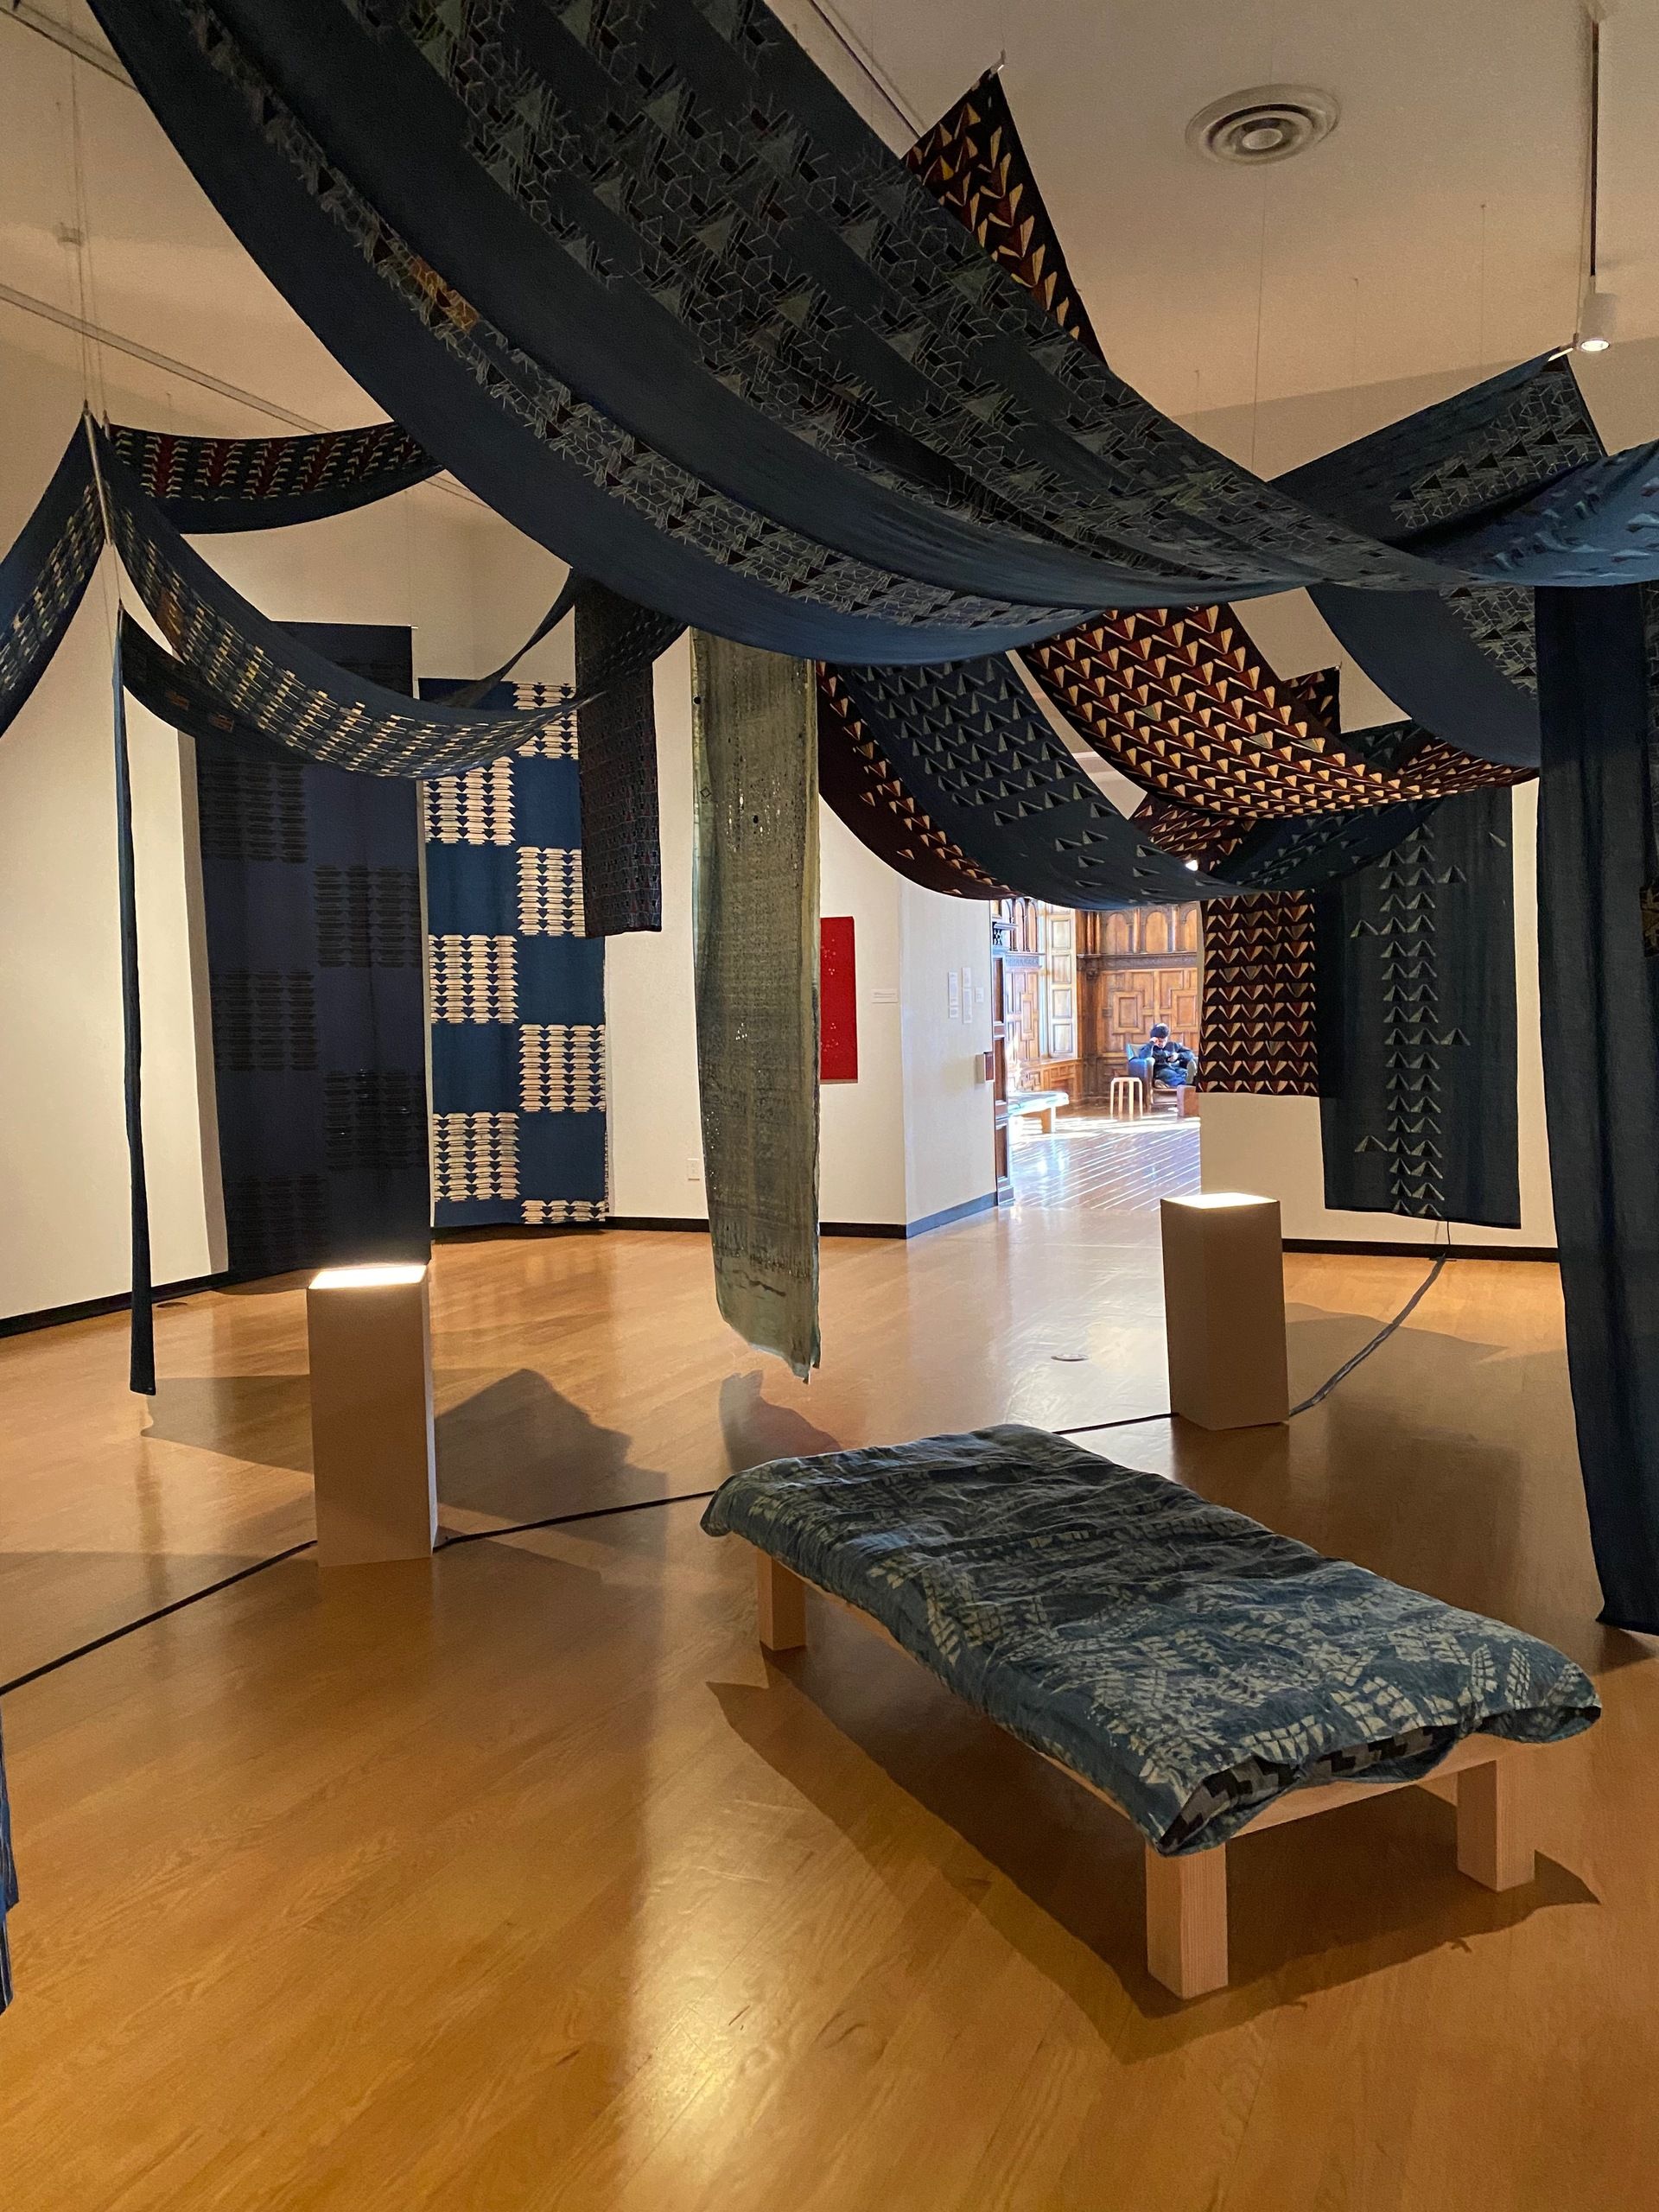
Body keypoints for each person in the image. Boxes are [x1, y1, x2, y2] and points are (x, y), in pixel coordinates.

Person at [1130, 1022, 1196, 1097]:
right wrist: (1151, 1043)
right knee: (1172, 1075)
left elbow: (1190, 1054)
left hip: (1176, 1068)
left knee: (1184, 1073)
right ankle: (1188, 1083)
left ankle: (1191, 1081)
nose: (1162, 1044)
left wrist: (1178, 1055)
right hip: (1161, 1070)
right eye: (1160, 1041)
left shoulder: (1172, 1045)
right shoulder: (1149, 1048)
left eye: (1164, 1041)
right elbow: (1144, 1057)